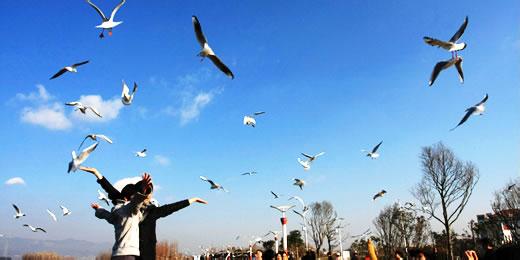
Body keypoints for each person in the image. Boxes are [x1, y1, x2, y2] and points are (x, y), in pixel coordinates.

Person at [80, 166, 208, 260]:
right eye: (147, 194)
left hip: (146, 254)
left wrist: (192, 200)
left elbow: (171, 207)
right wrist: (97, 174)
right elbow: (111, 190)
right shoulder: (127, 206)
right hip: (130, 253)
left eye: (150, 194)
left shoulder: (152, 211)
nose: (149, 197)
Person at [92, 173, 152, 260]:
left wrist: (98, 209)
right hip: (128, 254)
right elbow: (136, 203)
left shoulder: (117, 212)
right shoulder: (130, 209)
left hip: (116, 254)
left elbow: (107, 216)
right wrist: (143, 191)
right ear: (127, 199)